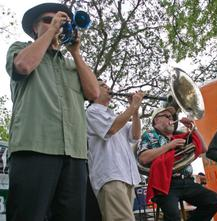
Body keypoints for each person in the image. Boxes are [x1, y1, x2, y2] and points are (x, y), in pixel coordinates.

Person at [5, 3, 99, 221]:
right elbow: (23, 67)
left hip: (74, 155)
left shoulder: (72, 65)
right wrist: (50, 33)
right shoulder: (20, 48)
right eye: (48, 20)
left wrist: (75, 52)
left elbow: (94, 93)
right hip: (34, 149)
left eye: (61, 20)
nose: (56, 23)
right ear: (34, 28)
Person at [137, 106, 217, 221]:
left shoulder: (179, 135)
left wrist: (193, 128)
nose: (171, 119)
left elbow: (203, 148)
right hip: (165, 184)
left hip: (187, 182)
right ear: (156, 120)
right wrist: (170, 146)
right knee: (173, 216)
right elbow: (143, 158)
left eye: (172, 117)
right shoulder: (149, 135)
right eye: (167, 116)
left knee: (214, 201)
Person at [86, 79, 144, 221]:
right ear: (92, 92)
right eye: (102, 85)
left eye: (107, 85)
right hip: (110, 175)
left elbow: (135, 136)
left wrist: (134, 110)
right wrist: (133, 106)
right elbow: (111, 129)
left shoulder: (114, 116)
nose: (107, 87)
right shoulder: (92, 111)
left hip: (126, 175)